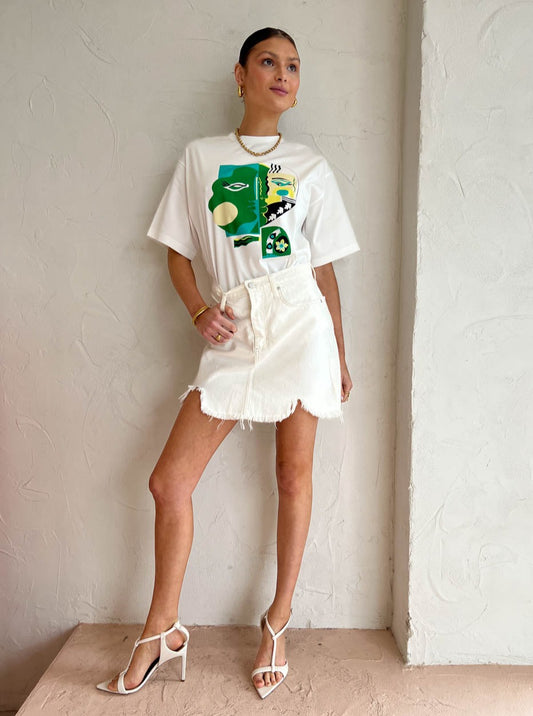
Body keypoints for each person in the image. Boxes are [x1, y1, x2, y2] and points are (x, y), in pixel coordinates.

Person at [96, 26, 360, 700]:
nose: (282, 74)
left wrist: (339, 353)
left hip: (299, 322)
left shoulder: (310, 167)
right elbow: (177, 251)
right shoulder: (201, 157)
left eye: (293, 65)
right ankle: (162, 629)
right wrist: (196, 311)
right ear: (240, 75)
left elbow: (323, 272)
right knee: (168, 483)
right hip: (236, 328)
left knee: (292, 476)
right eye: (268, 62)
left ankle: (278, 621)